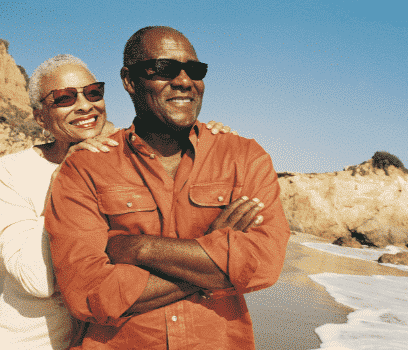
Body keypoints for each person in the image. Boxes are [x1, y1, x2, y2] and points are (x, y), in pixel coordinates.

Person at [45, 26, 291, 349]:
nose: (185, 81)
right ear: (129, 80)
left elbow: (262, 263)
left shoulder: (244, 158)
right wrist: (213, 261)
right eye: (165, 69)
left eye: (195, 70)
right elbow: (88, 292)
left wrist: (136, 248)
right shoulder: (84, 169)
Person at [0, 53, 233, 350]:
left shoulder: (128, 156)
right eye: (64, 98)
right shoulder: (11, 172)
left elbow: (172, 231)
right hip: (32, 340)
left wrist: (203, 139)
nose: (84, 105)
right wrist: (64, 178)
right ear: (40, 116)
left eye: (93, 93)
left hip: (103, 339)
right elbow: (38, 282)